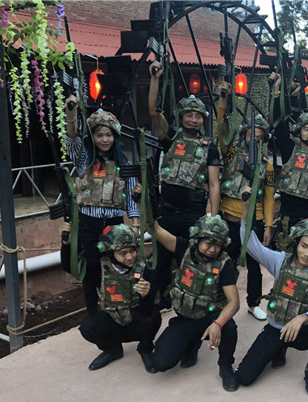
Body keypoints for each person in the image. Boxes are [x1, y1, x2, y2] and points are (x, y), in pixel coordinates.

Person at [235, 188, 308, 397]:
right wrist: (246, 210)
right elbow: (250, 244)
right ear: (296, 243)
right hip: (276, 327)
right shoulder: (280, 261)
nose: (307, 253)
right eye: (304, 246)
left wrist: (303, 318)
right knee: (244, 377)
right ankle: (279, 349)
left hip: (303, 331)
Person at [148, 61, 221, 311]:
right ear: (182, 118)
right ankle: (164, 298)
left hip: (193, 213)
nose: (193, 120)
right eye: (189, 115)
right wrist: (155, 79)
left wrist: (213, 217)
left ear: (203, 120)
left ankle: (189, 298)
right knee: (161, 260)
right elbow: (153, 113)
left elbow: (214, 184)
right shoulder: (170, 139)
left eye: (198, 116)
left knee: (190, 260)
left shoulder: (209, 147)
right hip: (167, 211)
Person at [148, 214, 240, 392]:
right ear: (197, 239)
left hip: (209, 317)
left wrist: (218, 323)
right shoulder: (184, 248)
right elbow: (155, 229)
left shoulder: (224, 263)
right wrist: (141, 205)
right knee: (160, 362)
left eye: (218, 245)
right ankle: (192, 344)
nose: (213, 249)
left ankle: (226, 365)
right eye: (209, 243)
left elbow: (234, 302)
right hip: (185, 317)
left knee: (229, 327)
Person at [65, 98, 140, 314]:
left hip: (114, 224)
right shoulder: (83, 158)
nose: (105, 139)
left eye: (108, 135)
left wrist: (135, 225)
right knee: (90, 271)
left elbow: (131, 198)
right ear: (92, 137)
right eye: (99, 135)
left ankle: (116, 309)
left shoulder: (123, 162)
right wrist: (71, 112)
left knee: (116, 269)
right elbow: (71, 138)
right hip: (88, 223)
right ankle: (92, 313)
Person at [60, 223, 161, 372]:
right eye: (123, 253)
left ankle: (145, 349)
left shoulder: (145, 269)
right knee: (88, 327)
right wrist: (66, 244)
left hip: (137, 320)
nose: (129, 257)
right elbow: (70, 267)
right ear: (111, 253)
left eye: (132, 251)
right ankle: (113, 350)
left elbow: (148, 310)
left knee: (154, 317)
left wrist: (146, 295)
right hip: (114, 319)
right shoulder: (99, 268)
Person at [216, 81, 275, 321]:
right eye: (251, 135)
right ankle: (221, 300)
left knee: (254, 265)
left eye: (260, 137)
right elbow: (221, 131)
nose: (255, 140)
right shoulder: (231, 153)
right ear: (244, 136)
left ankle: (254, 303)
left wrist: (268, 225)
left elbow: (269, 196)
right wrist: (223, 102)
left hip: (254, 220)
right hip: (229, 217)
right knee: (224, 262)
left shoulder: (267, 164)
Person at [269, 73, 308, 251]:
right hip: (288, 219)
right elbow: (278, 123)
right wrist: (277, 90)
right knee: (285, 259)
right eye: (306, 129)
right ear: (299, 132)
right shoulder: (290, 149)